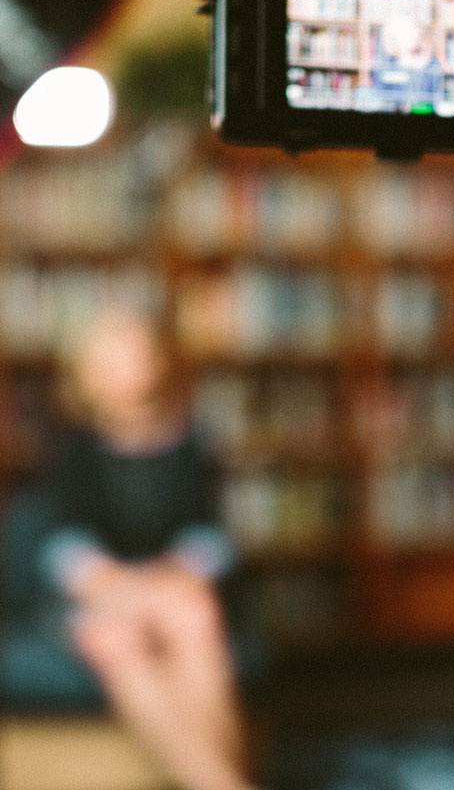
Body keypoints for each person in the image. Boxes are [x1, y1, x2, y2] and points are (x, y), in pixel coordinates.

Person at [31, 307, 258, 790]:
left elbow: (210, 535)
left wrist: (171, 576)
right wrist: (117, 584)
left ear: (156, 361)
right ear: (85, 376)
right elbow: (63, 543)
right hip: (103, 592)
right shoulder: (73, 448)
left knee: (194, 615)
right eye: (107, 362)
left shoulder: (193, 441)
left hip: (174, 587)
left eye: (132, 356)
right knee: (116, 639)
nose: (122, 372)